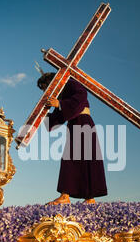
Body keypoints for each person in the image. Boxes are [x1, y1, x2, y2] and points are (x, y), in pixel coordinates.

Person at [38, 72, 108, 205]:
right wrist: (43, 114)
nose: (46, 91)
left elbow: (81, 97)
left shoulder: (71, 83)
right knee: (74, 158)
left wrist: (59, 103)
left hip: (83, 122)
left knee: (79, 158)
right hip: (74, 124)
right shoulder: (63, 95)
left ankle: (77, 196)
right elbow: (58, 116)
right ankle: (83, 197)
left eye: (46, 87)